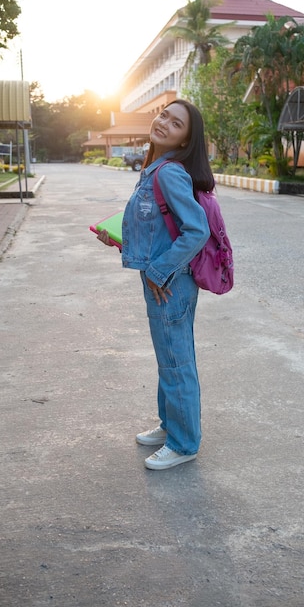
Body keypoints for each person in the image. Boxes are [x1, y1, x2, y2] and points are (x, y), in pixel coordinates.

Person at [97, 99, 214, 470]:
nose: (164, 123)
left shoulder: (170, 173)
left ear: (185, 140)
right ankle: (170, 427)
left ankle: (184, 444)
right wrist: (120, 238)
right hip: (162, 280)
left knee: (177, 363)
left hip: (170, 283)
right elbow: (157, 227)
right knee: (170, 360)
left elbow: (197, 230)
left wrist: (158, 270)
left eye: (176, 123)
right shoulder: (155, 168)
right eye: (164, 115)